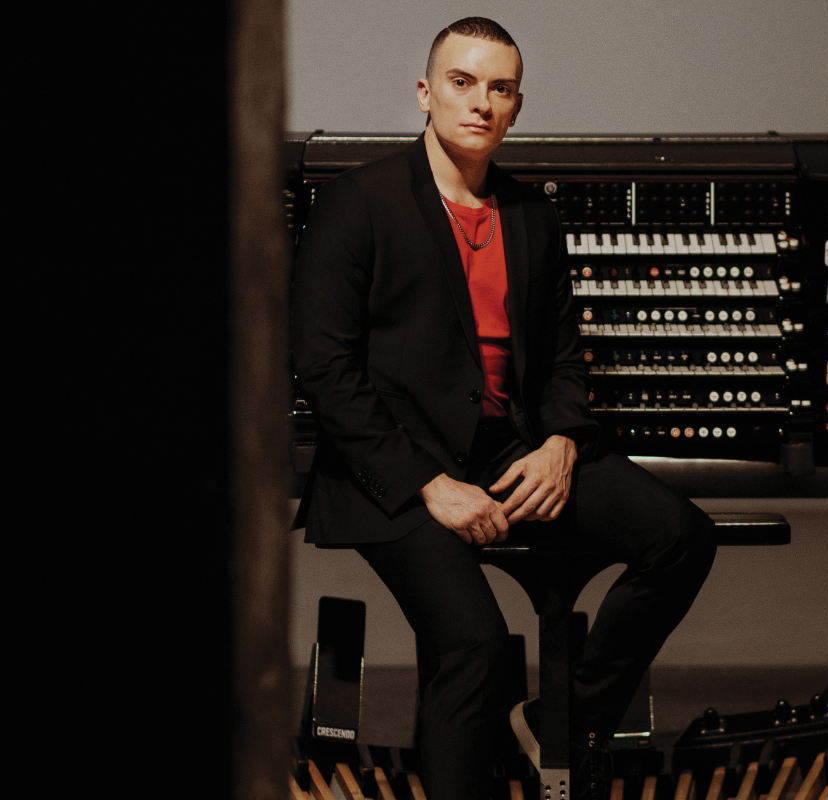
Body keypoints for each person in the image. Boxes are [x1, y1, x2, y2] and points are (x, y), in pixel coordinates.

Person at [291, 17, 717, 800]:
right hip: (396, 465)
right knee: (476, 645)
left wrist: (559, 441)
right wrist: (429, 485)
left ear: (517, 107)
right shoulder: (360, 202)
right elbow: (324, 368)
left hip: (508, 450)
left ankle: (559, 716)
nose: (480, 103)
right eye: (462, 82)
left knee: (682, 537)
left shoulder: (532, 216)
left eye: (500, 89)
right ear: (425, 92)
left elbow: (559, 362)